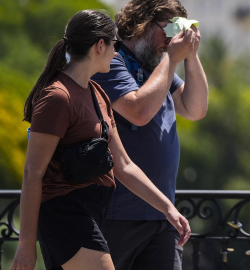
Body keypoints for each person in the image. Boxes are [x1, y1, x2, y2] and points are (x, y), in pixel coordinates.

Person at [11, 10, 190, 270]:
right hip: (65, 214)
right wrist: (26, 245)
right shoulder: (57, 97)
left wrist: (168, 209)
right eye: (115, 45)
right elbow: (32, 173)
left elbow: (124, 165)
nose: (117, 53)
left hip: (93, 213)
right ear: (100, 45)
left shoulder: (98, 94)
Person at [91, 0, 208, 269]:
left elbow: (196, 109)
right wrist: (172, 57)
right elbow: (138, 112)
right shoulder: (111, 62)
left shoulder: (157, 68)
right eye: (168, 29)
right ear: (141, 23)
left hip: (163, 215)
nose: (170, 40)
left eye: (177, 31)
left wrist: (190, 54)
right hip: (117, 215)